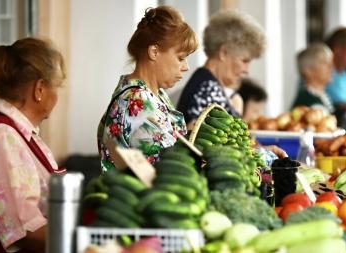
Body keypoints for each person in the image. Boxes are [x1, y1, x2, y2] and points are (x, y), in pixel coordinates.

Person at [0, 38, 66, 253]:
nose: (57, 96)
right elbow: (24, 230)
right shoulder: (1, 136)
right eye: (57, 87)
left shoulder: (16, 131)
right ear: (39, 89)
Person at [97, 6, 198, 170]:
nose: (186, 67)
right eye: (181, 58)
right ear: (154, 52)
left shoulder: (154, 93)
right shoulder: (136, 100)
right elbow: (170, 167)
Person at [177, 9, 265, 126]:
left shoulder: (204, 82)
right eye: (244, 61)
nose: (246, 70)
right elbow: (227, 141)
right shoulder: (208, 89)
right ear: (223, 53)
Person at [292, 43, 334, 113]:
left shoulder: (318, 97)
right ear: (308, 70)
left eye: (331, 63)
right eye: (325, 63)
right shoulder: (310, 105)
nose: (331, 67)